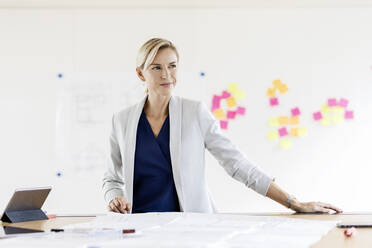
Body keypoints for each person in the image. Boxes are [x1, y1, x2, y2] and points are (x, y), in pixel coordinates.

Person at [102, 38, 343, 214]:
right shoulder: (122, 120)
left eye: (172, 65)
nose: (167, 74)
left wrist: (294, 202)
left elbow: (237, 164)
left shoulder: (194, 112)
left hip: (190, 230)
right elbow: (112, 179)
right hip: (139, 230)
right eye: (156, 67)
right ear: (140, 74)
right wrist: (114, 198)